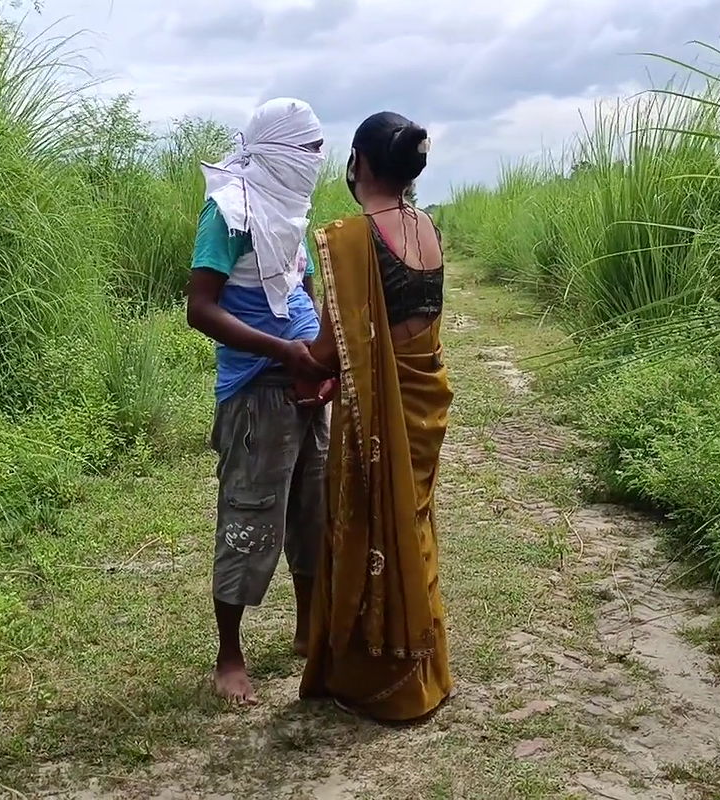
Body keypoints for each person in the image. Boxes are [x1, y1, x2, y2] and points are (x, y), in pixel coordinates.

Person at [297, 111, 452, 723]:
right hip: (422, 395)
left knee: (370, 521)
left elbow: (330, 350)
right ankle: (424, 664)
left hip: (383, 410)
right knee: (409, 520)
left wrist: (284, 352)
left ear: (357, 162)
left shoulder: (353, 238)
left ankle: (382, 674)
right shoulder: (428, 227)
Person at [186, 97, 333, 706]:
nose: (315, 163)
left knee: (312, 510)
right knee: (250, 516)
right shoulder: (228, 212)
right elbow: (201, 309)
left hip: (304, 386)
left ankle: (308, 630)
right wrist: (284, 352)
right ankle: (229, 654)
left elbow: (297, 288)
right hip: (257, 391)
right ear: (274, 151)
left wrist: (323, 354)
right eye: (308, 150)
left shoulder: (288, 212)